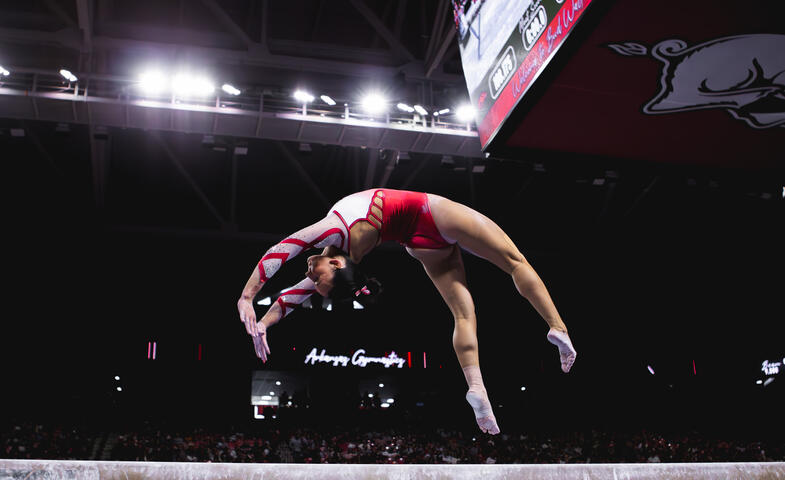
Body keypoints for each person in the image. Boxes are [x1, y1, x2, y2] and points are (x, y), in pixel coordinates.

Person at [237, 188, 576, 435]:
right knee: (514, 262)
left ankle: (478, 388)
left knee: (464, 313)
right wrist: (265, 322)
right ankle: (556, 327)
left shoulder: (337, 231)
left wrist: (248, 297)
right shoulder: (338, 246)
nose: (310, 275)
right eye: (317, 279)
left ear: (337, 261)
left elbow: (282, 250)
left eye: (315, 277)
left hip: (418, 242)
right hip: (432, 215)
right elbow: (291, 281)